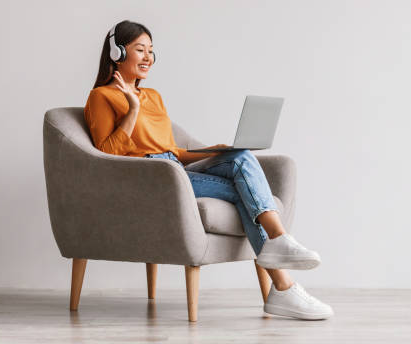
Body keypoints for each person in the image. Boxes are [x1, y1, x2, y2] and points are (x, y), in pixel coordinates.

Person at [84, 20, 333, 320]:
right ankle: (282, 282)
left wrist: (215, 152)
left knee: (240, 157)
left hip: (173, 167)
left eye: (151, 51)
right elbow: (106, 155)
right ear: (117, 52)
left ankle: (281, 262)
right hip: (153, 178)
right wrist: (132, 110)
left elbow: (172, 151)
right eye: (140, 50)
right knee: (245, 194)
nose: (148, 57)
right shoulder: (101, 97)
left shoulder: (155, 96)